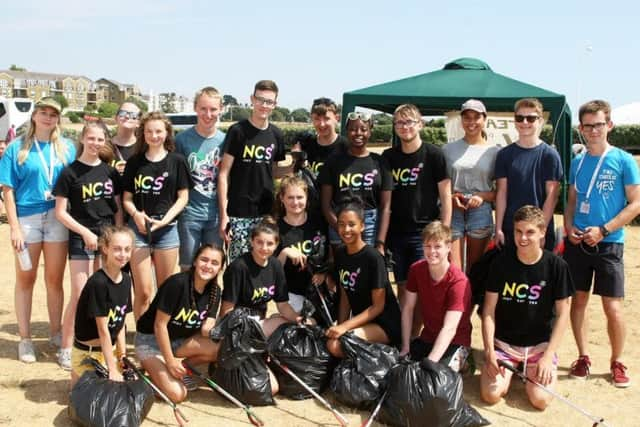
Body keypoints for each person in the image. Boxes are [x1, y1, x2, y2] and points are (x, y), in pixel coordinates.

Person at [564, 100, 640, 388]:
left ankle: (617, 361)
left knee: (613, 307)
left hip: (609, 243)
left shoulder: (623, 160)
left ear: (609, 125)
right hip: (579, 242)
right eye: (587, 125)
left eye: (598, 124)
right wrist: (569, 227)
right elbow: (571, 202)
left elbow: (636, 204)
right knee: (578, 300)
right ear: (581, 129)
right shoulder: (578, 161)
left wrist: (604, 229)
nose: (593, 130)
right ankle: (583, 357)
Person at [0, 97, 76, 363]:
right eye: (43, 112)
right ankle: (25, 339)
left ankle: (56, 333)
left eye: (53, 114)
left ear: (58, 119)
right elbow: (7, 191)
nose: (47, 118)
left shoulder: (67, 148)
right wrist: (15, 228)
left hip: (57, 218)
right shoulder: (16, 148)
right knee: (26, 279)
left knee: (55, 280)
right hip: (28, 218)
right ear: (34, 116)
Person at [481, 205, 574, 410]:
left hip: (539, 347)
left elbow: (563, 313)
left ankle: (530, 368)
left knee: (540, 400)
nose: (523, 238)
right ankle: (512, 368)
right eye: (518, 231)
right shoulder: (500, 263)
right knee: (491, 395)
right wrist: (489, 351)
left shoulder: (557, 266)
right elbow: (488, 312)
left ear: (542, 232)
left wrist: (548, 356)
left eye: (530, 232)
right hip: (505, 345)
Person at [54, 120, 123, 370]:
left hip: (106, 237)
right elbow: (60, 212)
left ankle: (102, 346)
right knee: (80, 294)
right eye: (91, 138)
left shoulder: (110, 172)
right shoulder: (69, 172)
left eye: (100, 139)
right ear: (83, 139)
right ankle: (66, 347)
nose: (95, 143)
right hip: (80, 236)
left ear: (106, 142)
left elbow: (116, 210)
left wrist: (115, 237)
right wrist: (84, 232)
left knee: (103, 295)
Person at [122, 111, 191, 319]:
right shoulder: (135, 162)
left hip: (167, 230)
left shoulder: (177, 161)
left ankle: (161, 334)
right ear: (143, 134)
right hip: (139, 230)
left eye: (159, 131)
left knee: (165, 289)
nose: (154, 136)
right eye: (149, 131)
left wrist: (164, 221)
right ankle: (144, 335)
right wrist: (136, 215)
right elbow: (126, 199)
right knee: (143, 291)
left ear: (167, 133)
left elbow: (183, 198)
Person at [382, 104, 451, 308]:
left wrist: (444, 233)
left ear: (420, 124)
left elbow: (446, 197)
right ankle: (406, 336)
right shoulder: (388, 157)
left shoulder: (434, 155)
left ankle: (416, 336)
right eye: (399, 123)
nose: (405, 127)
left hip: (425, 233)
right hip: (397, 234)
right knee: (403, 287)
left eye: (409, 121)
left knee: (423, 287)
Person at [135, 244, 224, 402]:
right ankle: (140, 380)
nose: (208, 266)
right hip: (151, 341)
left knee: (222, 349)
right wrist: (169, 362)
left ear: (220, 268)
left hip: (180, 341)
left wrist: (225, 332)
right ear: (195, 261)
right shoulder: (177, 284)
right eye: (204, 260)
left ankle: (181, 369)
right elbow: (159, 326)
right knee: (177, 394)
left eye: (214, 263)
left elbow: (206, 329)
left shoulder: (215, 291)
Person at [217, 80, 286, 262]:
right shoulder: (238, 131)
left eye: (269, 101)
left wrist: (296, 166)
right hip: (239, 212)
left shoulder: (276, 134)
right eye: (260, 100)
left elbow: (274, 173)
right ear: (252, 100)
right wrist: (224, 215)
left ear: (275, 104)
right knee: (238, 267)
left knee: (262, 266)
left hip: (266, 213)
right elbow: (224, 174)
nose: (264, 105)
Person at [325, 198, 401, 358]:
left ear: (362, 226)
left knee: (337, 345)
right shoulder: (340, 253)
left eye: (352, 224)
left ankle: (386, 356)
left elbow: (377, 307)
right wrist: (340, 325)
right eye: (341, 224)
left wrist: (345, 327)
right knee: (332, 341)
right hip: (362, 323)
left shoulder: (373, 258)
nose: (346, 229)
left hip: (384, 324)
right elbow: (345, 295)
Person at [400, 221, 472, 372]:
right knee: (402, 366)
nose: (432, 251)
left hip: (456, 340)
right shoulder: (416, 270)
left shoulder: (458, 281)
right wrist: (405, 346)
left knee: (437, 375)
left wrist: (430, 362)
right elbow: (408, 308)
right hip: (428, 337)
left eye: (437, 246)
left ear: (448, 247)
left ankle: (464, 359)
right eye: (427, 246)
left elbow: (450, 328)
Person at [494, 98, 563, 251]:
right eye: (520, 118)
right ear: (514, 121)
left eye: (530, 118)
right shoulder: (504, 155)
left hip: (537, 232)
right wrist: (498, 228)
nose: (524, 122)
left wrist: (541, 232)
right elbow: (501, 193)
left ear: (540, 121)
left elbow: (551, 197)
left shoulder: (549, 155)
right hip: (511, 230)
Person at [70, 226, 134, 388]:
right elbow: (103, 330)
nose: (123, 254)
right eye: (117, 249)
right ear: (105, 249)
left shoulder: (126, 279)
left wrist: (122, 356)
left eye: (127, 249)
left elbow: (120, 324)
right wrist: (112, 369)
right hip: (88, 352)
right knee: (86, 400)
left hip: (109, 351)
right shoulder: (98, 283)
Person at [319, 112, 392, 252]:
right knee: (341, 270)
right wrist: (342, 228)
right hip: (339, 222)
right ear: (347, 131)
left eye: (364, 129)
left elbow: (386, 207)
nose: (358, 133)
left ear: (370, 132)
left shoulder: (380, 162)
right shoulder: (333, 162)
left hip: (370, 224)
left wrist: (380, 243)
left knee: (367, 270)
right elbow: (325, 205)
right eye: (353, 129)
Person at [443, 100, 499, 272]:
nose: (471, 122)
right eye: (467, 117)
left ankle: (471, 299)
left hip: (481, 211)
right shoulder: (447, 149)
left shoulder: (495, 151)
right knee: (454, 269)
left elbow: (500, 191)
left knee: (475, 269)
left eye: (476, 117)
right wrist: (450, 199)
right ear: (461, 120)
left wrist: (482, 196)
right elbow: (441, 185)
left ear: (485, 120)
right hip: (454, 210)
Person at [175, 87, 225, 270]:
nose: (208, 114)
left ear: (221, 109)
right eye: (203, 108)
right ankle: (187, 299)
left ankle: (209, 300)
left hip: (216, 216)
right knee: (187, 267)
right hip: (189, 215)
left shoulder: (225, 140)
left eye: (213, 109)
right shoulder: (181, 140)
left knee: (212, 268)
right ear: (195, 108)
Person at [275, 175, 328, 313]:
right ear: (282, 198)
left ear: (307, 198)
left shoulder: (319, 222)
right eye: (290, 197)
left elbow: (331, 254)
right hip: (292, 294)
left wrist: (325, 275)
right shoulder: (276, 229)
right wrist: (284, 252)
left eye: (299, 197)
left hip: (321, 290)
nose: (295, 202)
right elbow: (271, 271)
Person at [292, 97, 347, 178]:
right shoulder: (306, 144)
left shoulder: (346, 147)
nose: (322, 124)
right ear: (312, 119)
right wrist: (296, 160)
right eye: (317, 119)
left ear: (336, 118)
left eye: (326, 118)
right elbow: (294, 174)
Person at [108, 101, 141, 175]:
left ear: (138, 123)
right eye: (123, 113)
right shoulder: (104, 146)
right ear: (116, 118)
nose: (127, 117)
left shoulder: (143, 147)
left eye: (133, 115)